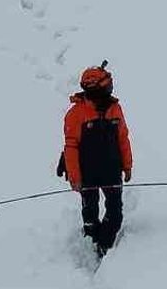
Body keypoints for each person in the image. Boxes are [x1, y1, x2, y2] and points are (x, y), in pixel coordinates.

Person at [56, 61, 133, 256]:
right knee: (89, 212)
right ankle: (91, 241)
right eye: (107, 84)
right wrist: (75, 177)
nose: (110, 87)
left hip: (112, 170)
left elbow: (123, 138)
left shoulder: (115, 109)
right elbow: (71, 148)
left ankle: (104, 244)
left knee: (115, 213)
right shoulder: (75, 114)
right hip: (87, 173)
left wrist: (127, 165)